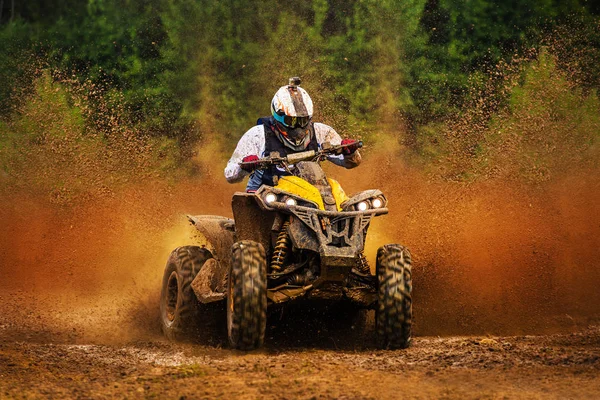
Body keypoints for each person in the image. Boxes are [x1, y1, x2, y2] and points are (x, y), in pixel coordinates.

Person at [224, 77, 361, 192]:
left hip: (311, 192)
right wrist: (244, 166)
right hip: (266, 196)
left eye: (302, 120)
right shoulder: (257, 135)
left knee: (337, 196)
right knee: (248, 213)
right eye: (292, 120)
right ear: (277, 114)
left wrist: (350, 153)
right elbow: (230, 174)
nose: (298, 126)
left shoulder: (321, 132)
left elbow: (350, 163)